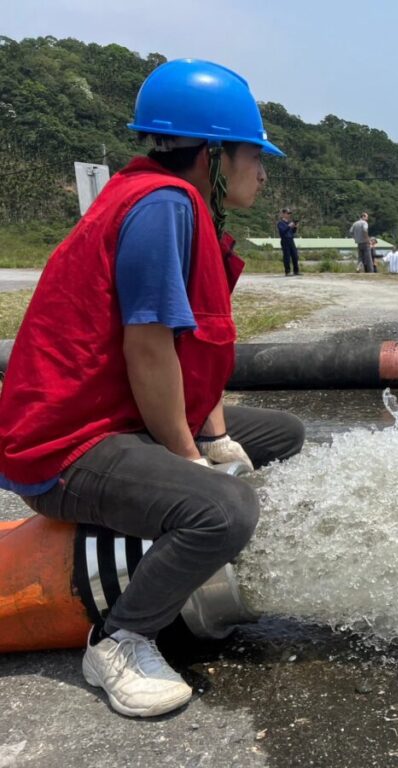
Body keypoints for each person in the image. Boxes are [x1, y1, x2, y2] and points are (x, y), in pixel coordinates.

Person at [0, 59, 305, 717]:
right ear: (214, 153)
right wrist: (193, 464)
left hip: (115, 418)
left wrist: (218, 438)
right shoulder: (163, 207)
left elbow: (198, 356)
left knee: (283, 434)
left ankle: (178, 524)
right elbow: (148, 350)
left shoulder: (177, 204)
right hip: (64, 447)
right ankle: (119, 640)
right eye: (254, 153)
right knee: (224, 511)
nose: (263, 168)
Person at [277, 208, 299, 275]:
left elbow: (293, 232)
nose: (289, 215)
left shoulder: (290, 222)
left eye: (289, 213)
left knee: (295, 255)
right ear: (283, 214)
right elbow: (282, 232)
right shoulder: (280, 223)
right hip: (285, 240)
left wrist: (295, 227)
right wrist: (289, 226)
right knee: (287, 256)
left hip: (291, 240)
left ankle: (296, 271)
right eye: (287, 213)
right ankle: (287, 271)